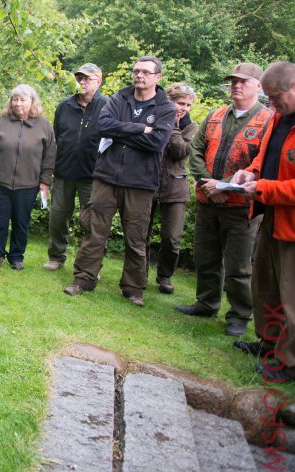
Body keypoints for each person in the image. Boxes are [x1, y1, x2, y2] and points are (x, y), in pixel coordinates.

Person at [63, 55, 177, 307]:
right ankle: (83, 279)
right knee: (95, 231)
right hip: (106, 178)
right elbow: (102, 126)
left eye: (146, 72)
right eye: (136, 71)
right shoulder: (118, 98)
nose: (139, 75)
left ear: (158, 77)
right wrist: (139, 129)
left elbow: (157, 142)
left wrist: (121, 131)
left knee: (136, 239)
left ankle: (133, 288)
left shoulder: (166, 108)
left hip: (140, 183)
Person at [176, 63, 272, 336]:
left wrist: (226, 188)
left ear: (258, 86)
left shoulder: (266, 121)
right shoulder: (215, 115)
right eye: (233, 81)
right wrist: (208, 184)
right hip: (208, 201)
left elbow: (261, 163)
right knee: (205, 256)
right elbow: (196, 149)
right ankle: (206, 303)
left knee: (239, 266)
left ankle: (240, 315)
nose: (236, 86)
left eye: (243, 81)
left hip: (241, 208)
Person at [232, 61, 295, 381]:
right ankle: (269, 343)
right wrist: (251, 172)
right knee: (265, 283)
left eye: (275, 97)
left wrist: (264, 188)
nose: (272, 104)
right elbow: (265, 155)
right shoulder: (279, 118)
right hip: (270, 214)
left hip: (291, 223)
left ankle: (289, 362)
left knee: (290, 292)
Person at [43, 63, 109, 271]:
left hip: (94, 176)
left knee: (93, 222)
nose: (82, 82)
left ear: (99, 81)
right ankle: (56, 257)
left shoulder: (108, 106)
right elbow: (55, 138)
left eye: (87, 79)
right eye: (80, 78)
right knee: (58, 217)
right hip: (63, 172)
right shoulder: (65, 106)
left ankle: (90, 265)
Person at [0, 84, 56, 270]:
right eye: (15, 99)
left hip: (28, 184)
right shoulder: (1, 120)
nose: (18, 103)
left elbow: (50, 156)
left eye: (23, 99)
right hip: (0, 181)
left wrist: (45, 181)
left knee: (21, 223)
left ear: (32, 102)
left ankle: (16, 257)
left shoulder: (44, 125)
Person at [146, 83, 198, 294]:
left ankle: (164, 276)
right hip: (148, 181)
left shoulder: (192, 127)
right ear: (169, 101)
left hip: (176, 185)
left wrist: (173, 125)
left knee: (172, 237)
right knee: (141, 233)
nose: (183, 108)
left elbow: (180, 151)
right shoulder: (154, 117)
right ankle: (138, 273)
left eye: (187, 104)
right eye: (179, 103)